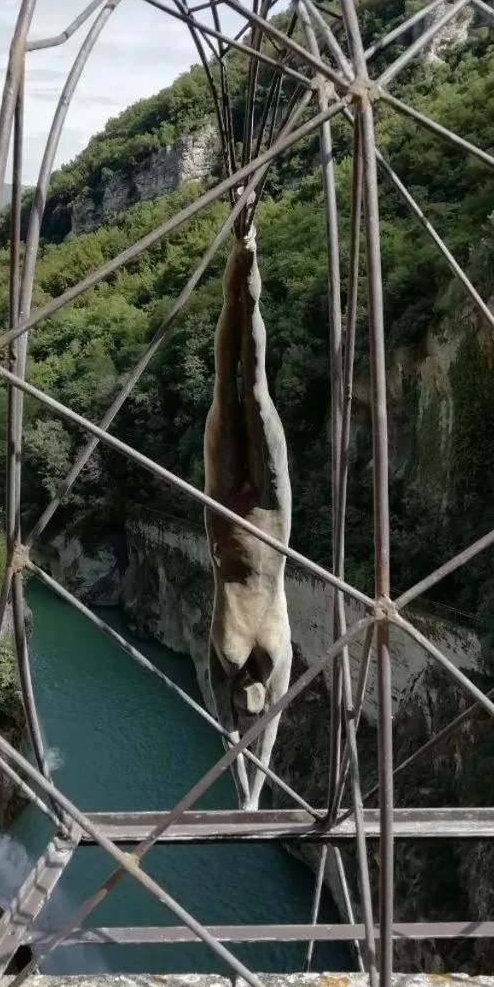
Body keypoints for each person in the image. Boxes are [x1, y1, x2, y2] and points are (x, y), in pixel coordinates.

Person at [203, 188, 293, 812]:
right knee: (244, 390)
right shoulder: (273, 655)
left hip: (223, 511)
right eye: (245, 711)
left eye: (242, 711)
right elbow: (271, 726)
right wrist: (253, 794)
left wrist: (248, 794)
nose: (244, 708)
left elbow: (227, 728)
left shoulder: (226, 654)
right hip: (269, 513)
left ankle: (245, 256)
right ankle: (245, 255)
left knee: (242, 392)